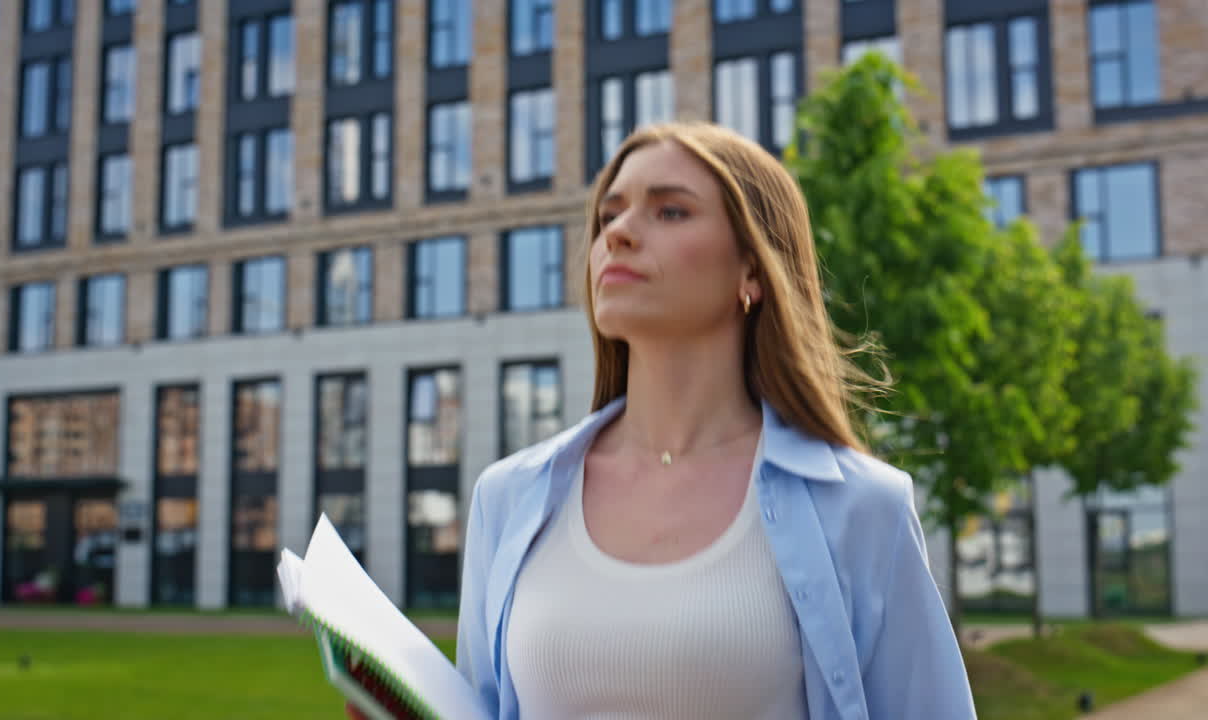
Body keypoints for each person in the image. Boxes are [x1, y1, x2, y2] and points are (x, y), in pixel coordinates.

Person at [351, 121, 976, 719]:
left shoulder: (864, 508)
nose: (618, 233)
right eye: (608, 215)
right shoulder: (508, 499)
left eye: (669, 210)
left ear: (752, 270)